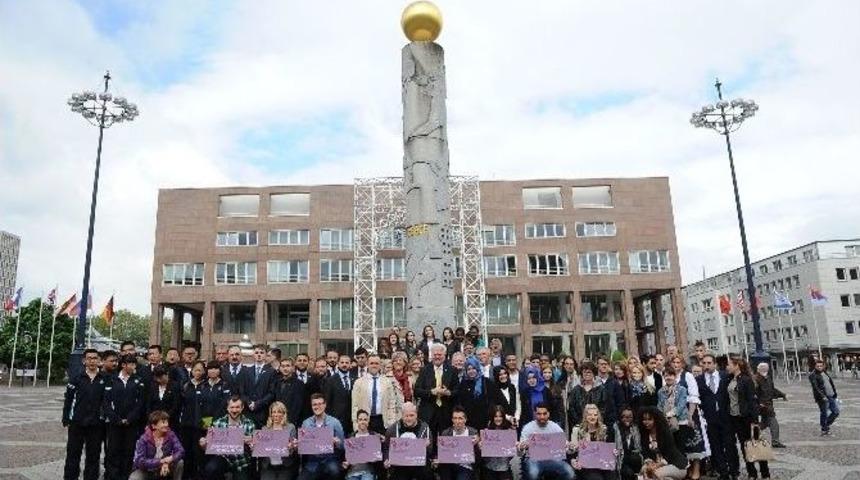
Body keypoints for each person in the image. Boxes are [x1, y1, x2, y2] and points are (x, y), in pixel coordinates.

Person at [63, 348, 107, 480]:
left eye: (95, 358)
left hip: (96, 424)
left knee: (93, 456)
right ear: (84, 361)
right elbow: (69, 399)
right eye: (89, 358)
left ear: (99, 361)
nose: (92, 361)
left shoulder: (105, 379)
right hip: (77, 423)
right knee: (73, 455)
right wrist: (66, 417)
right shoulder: (76, 378)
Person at [103, 354, 146, 480]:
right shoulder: (111, 379)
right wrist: (115, 418)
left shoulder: (138, 380)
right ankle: (112, 476)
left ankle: (126, 475)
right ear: (123, 365)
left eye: (134, 364)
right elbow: (106, 402)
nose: (133, 366)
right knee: (113, 450)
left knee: (129, 450)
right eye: (131, 364)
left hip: (131, 423)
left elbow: (140, 403)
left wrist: (130, 418)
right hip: (114, 423)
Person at [727, 356, 769, 480]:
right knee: (744, 446)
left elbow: (752, 401)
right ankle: (752, 473)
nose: (727, 367)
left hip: (748, 418)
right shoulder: (730, 379)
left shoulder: (746, 380)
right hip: (736, 418)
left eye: (729, 364)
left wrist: (755, 420)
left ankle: (765, 473)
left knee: (756, 445)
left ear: (737, 366)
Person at [199, 395, 256, 480]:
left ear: (242, 408)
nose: (234, 410)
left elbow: (254, 449)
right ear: (227, 408)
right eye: (232, 407)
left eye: (237, 407)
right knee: (211, 469)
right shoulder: (218, 423)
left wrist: (252, 443)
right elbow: (208, 447)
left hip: (241, 462)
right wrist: (203, 445)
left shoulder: (249, 424)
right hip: (223, 458)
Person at [668, 355, 706, 480]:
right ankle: (686, 469)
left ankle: (696, 470)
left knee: (693, 442)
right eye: (674, 362)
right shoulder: (669, 376)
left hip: (689, 412)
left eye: (678, 362)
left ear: (682, 364)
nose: (676, 364)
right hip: (675, 415)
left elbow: (694, 396)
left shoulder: (687, 376)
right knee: (681, 444)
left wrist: (690, 414)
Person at [699, 354, 736, 480]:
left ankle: (734, 470)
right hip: (710, 418)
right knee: (715, 446)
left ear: (714, 364)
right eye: (704, 363)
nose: (706, 365)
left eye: (709, 363)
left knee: (729, 444)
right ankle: (723, 471)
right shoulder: (699, 380)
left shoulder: (725, 376)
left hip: (725, 416)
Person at [518, 402, 574, 480]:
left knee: (569, 473)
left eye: (544, 414)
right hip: (533, 459)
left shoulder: (555, 427)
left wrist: (570, 447)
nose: (542, 417)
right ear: (534, 414)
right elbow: (520, 452)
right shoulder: (528, 428)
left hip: (552, 458)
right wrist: (522, 447)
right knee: (533, 473)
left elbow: (566, 447)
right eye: (539, 414)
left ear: (549, 414)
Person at [415, 343, 460, 435]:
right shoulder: (424, 370)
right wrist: (431, 392)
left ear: (444, 355)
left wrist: (448, 393)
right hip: (428, 412)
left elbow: (458, 391)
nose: (437, 357)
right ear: (431, 355)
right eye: (435, 355)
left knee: (446, 441)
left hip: (446, 412)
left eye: (439, 354)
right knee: (430, 441)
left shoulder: (452, 370)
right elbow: (417, 391)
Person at [352, 353, 403, 434]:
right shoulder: (359, 382)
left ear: (380, 365)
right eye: (371, 363)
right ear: (367, 365)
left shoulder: (387, 382)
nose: (374, 366)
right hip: (365, 421)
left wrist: (392, 422)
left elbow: (392, 403)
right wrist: (355, 424)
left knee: (383, 445)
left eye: (376, 363)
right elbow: (355, 405)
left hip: (382, 420)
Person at [300, 393, 346, 480]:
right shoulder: (306, 423)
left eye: (320, 404)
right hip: (313, 460)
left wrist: (337, 442)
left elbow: (343, 445)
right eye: (314, 404)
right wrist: (299, 444)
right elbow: (303, 447)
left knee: (334, 471)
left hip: (330, 458)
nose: (317, 407)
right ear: (311, 406)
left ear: (325, 405)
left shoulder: (335, 422)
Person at [130, 410, 184, 480]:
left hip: (164, 468)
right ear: (154, 426)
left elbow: (181, 450)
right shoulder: (144, 438)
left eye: (167, 422)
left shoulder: (171, 434)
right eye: (163, 422)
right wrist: (160, 462)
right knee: (134, 478)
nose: (166, 425)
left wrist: (170, 459)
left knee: (180, 462)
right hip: (146, 470)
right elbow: (140, 461)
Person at [383, 402, 432, 480]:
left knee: (427, 473)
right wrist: (386, 459)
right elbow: (386, 447)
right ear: (402, 416)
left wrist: (427, 446)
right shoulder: (392, 429)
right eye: (406, 416)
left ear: (416, 415)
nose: (409, 418)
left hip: (418, 464)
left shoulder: (425, 428)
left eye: (412, 415)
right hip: (400, 465)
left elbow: (430, 451)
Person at [637, 407, 687, 480]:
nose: (646, 422)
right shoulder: (644, 435)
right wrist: (649, 464)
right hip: (655, 465)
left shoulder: (665, 433)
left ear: (656, 420)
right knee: (643, 471)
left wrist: (656, 466)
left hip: (676, 465)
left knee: (654, 474)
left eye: (649, 419)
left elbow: (670, 454)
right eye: (644, 419)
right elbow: (646, 453)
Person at [177, 360, 206, 479]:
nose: (198, 372)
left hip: (201, 425)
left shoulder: (206, 386)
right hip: (186, 424)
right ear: (192, 371)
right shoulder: (185, 385)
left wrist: (206, 424)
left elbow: (208, 407)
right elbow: (181, 404)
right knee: (186, 451)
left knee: (198, 453)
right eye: (195, 370)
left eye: (200, 370)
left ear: (204, 371)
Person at [570, 404, 615, 480]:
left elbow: (609, 450)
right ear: (585, 416)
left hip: (601, 463)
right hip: (585, 465)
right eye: (590, 415)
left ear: (598, 417)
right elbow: (572, 451)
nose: (592, 417)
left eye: (595, 415)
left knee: (612, 476)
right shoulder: (577, 430)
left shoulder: (604, 429)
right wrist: (573, 460)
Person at [257, 401, 299, 480]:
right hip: (268, 466)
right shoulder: (265, 429)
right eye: (273, 412)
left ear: (284, 414)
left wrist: (292, 447)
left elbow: (293, 449)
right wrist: (256, 447)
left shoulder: (290, 427)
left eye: (279, 412)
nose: (276, 415)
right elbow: (261, 450)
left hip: (285, 465)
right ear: (270, 414)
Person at [436, 406, 479, 480]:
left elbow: (478, 456)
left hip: (465, 466)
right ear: (452, 419)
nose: (457, 421)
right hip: (449, 465)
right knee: (445, 471)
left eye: (460, 418)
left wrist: (478, 445)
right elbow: (443, 454)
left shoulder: (473, 433)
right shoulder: (446, 433)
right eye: (455, 418)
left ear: (465, 419)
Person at [240, 344, 277, 427]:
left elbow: (271, 392)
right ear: (253, 355)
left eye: (261, 352)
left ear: (265, 355)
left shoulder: (271, 372)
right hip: (248, 411)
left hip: (263, 411)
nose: (259, 355)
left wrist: (257, 404)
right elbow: (242, 391)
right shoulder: (246, 371)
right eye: (256, 353)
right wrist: (249, 403)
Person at [567, 363, 613, 428]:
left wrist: (595, 420)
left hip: (597, 425)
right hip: (579, 425)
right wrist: (580, 422)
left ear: (594, 373)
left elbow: (604, 407)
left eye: (589, 372)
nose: (587, 374)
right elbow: (572, 407)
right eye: (585, 372)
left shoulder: (601, 389)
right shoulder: (576, 389)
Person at [753, 362, 786, 448]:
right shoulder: (756, 379)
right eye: (762, 368)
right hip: (763, 406)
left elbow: (772, 390)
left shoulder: (768, 378)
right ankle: (775, 441)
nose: (764, 369)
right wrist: (759, 404)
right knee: (773, 422)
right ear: (758, 369)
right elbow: (753, 394)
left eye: (765, 368)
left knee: (764, 423)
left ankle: (753, 436)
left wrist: (782, 394)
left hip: (768, 404)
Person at [343, 409, 382, 480]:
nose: (362, 422)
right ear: (357, 421)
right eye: (360, 419)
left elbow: (378, 458)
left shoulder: (373, 436)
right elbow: (347, 458)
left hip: (368, 472)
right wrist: (346, 463)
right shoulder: (351, 437)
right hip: (352, 472)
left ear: (368, 421)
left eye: (365, 419)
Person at [324, 354, 357, 434]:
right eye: (342, 362)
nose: (344, 365)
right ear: (338, 363)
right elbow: (327, 401)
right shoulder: (331, 380)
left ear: (350, 364)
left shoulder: (356, 379)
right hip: (337, 419)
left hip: (352, 419)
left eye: (347, 362)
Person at [482, 405, 515, 480]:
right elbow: (484, 455)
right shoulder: (487, 431)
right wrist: (481, 446)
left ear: (503, 417)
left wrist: (513, 446)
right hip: (490, 467)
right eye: (496, 416)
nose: (498, 419)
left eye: (500, 416)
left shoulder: (509, 431)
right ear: (492, 418)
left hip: (504, 467)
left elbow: (512, 455)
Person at [809, 358, 839, 435]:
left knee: (836, 412)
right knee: (824, 413)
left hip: (831, 395)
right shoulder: (813, 375)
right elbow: (816, 387)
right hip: (822, 397)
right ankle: (824, 429)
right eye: (817, 366)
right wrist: (822, 396)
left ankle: (825, 425)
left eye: (821, 366)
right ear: (815, 366)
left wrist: (834, 393)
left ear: (823, 366)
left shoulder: (825, 373)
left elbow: (830, 384)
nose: (819, 367)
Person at [273, 358, 306, 426]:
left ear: (293, 368)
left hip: (291, 421)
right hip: (276, 420)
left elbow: (298, 406)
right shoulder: (276, 382)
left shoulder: (299, 384)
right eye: (283, 366)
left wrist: (289, 421)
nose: (285, 368)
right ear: (280, 368)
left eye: (288, 366)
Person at [614, 406, 643, 480]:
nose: (627, 419)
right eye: (624, 417)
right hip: (620, 459)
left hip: (633, 460)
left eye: (629, 417)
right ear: (620, 418)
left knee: (636, 458)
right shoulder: (615, 429)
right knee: (629, 473)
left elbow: (638, 449)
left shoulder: (635, 428)